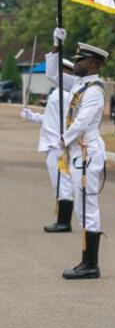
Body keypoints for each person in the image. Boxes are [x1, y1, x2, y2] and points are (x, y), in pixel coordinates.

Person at [46, 28, 110, 280]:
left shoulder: (94, 90)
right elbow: (52, 74)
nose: (75, 63)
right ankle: (87, 261)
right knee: (83, 208)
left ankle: (90, 264)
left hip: (86, 154)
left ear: (92, 63)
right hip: (78, 153)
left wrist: (63, 139)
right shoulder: (81, 84)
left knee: (87, 207)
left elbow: (82, 122)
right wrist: (56, 44)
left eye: (80, 60)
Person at [19, 58, 74, 233]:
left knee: (62, 183)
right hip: (53, 144)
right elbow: (51, 119)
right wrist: (32, 116)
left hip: (58, 145)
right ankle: (62, 220)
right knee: (59, 183)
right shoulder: (58, 92)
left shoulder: (65, 94)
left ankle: (64, 222)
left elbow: (67, 121)